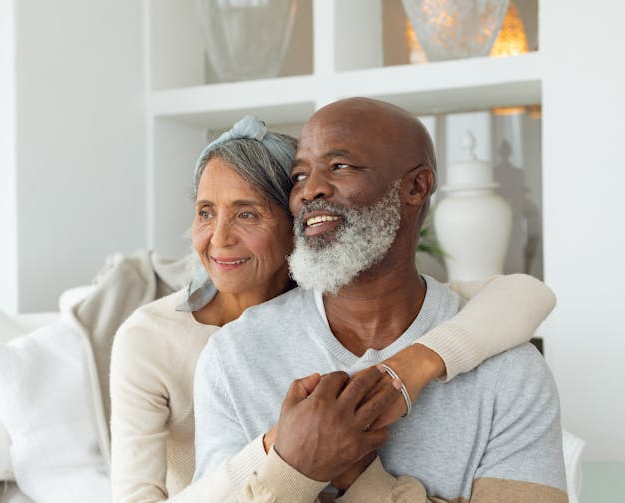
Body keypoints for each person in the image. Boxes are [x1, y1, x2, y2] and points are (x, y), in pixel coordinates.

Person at [111, 115, 557, 502]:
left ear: (297, 225)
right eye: (205, 211)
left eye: (247, 214)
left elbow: (525, 295)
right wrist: (287, 451)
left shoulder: (492, 353)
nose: (219, 237)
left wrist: (411, 369)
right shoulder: (193, 347)